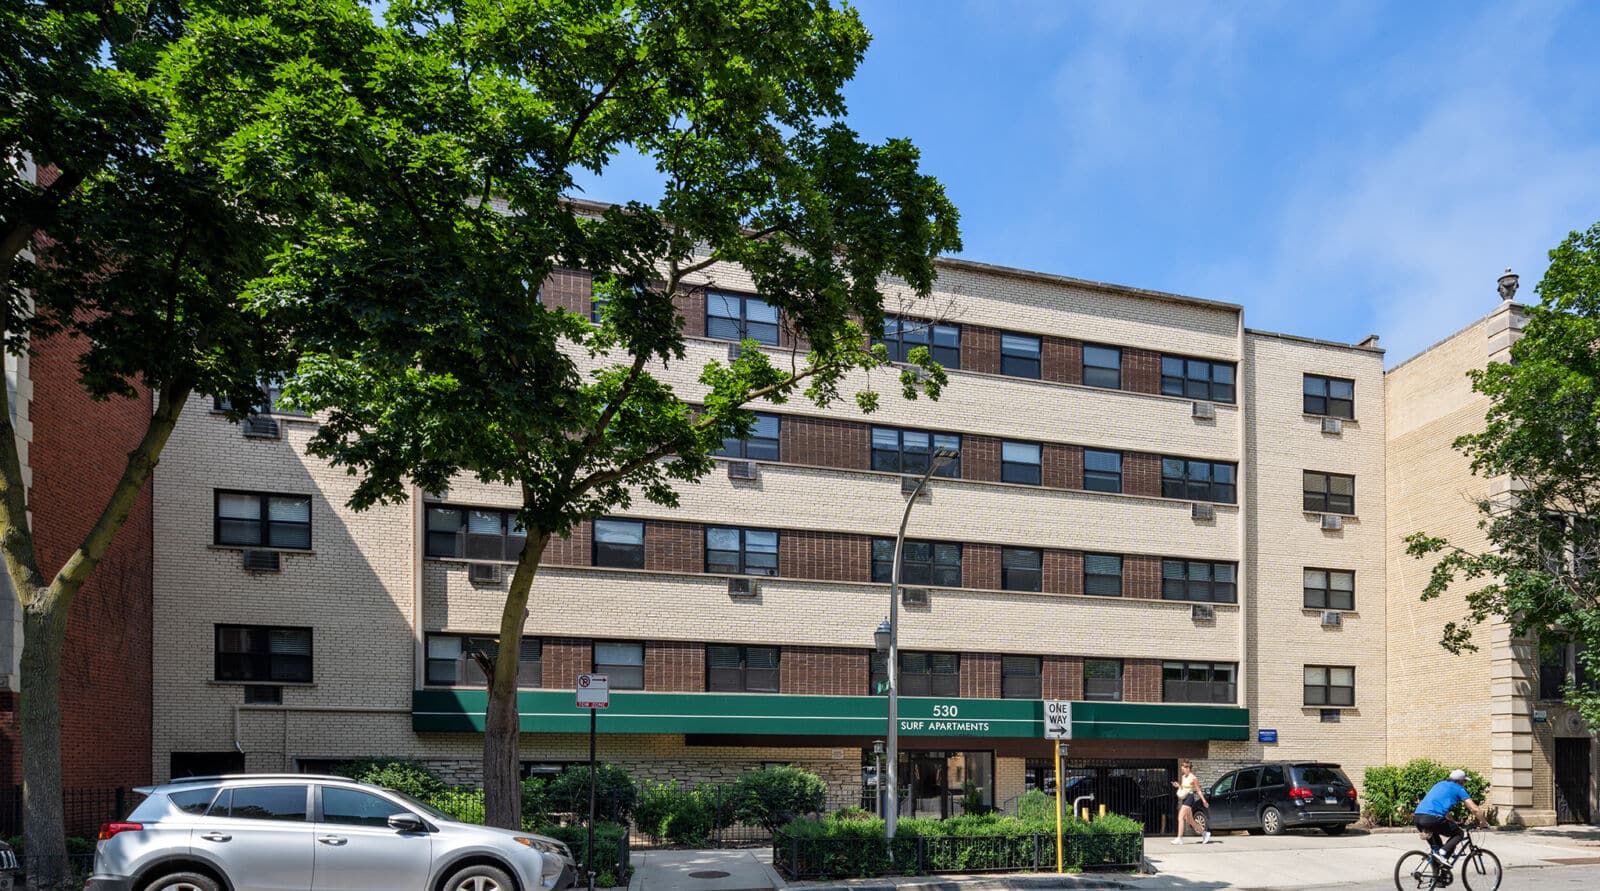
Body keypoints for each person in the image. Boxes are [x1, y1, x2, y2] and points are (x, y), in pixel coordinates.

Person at [1413, 769, 1486, 860]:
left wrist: (1453, 822)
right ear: (1459, 781)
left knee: (1437, 851)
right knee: (1459, 834)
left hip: (1418, 817)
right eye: (1464, 781)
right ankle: (1442, 853)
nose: (1465, 783)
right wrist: (1483, 822)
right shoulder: (1458, 788)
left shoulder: (1439, 784)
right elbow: (1474, 809)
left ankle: (1440, 869)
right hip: (1432, 819)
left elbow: (1443, 809)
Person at [1170, 759, 1211, 845]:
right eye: (1182, 766)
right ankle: (1205, 833)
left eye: (1184, 767)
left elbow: (1198, 790)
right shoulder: (1183, 777)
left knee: (1180, 817)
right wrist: (1178, 786)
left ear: (1189, 768)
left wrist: (1204, 801)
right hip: (1185, 798)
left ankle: (1179, 838)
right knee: (1190, 820)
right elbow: (1184, 787)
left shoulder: (1193, 778)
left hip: (1190, 798)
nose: (1182, 768)